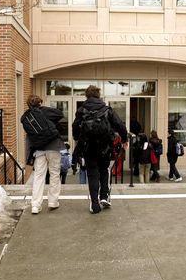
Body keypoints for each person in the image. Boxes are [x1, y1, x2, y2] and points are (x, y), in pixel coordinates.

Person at [72, 85, 128, 214]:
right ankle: (104, 196)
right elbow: (120, 125)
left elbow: (75, 127)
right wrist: (124, 140)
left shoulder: (82, 110)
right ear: (98, 95)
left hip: (88, 147)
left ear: (87, 95)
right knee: (104, 170)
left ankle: (94, 204)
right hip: (105, 147)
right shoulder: (107, 109)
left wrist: (77, 139)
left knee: (92, 174)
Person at [21, 94, 65, 214]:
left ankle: (35, 205)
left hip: (39, 149)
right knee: (54, 173)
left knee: (39, 176)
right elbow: (60, 114)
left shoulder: (26, 117)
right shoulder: (45, 111)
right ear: (39, 102)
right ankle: (53, 201)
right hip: (53, 146)